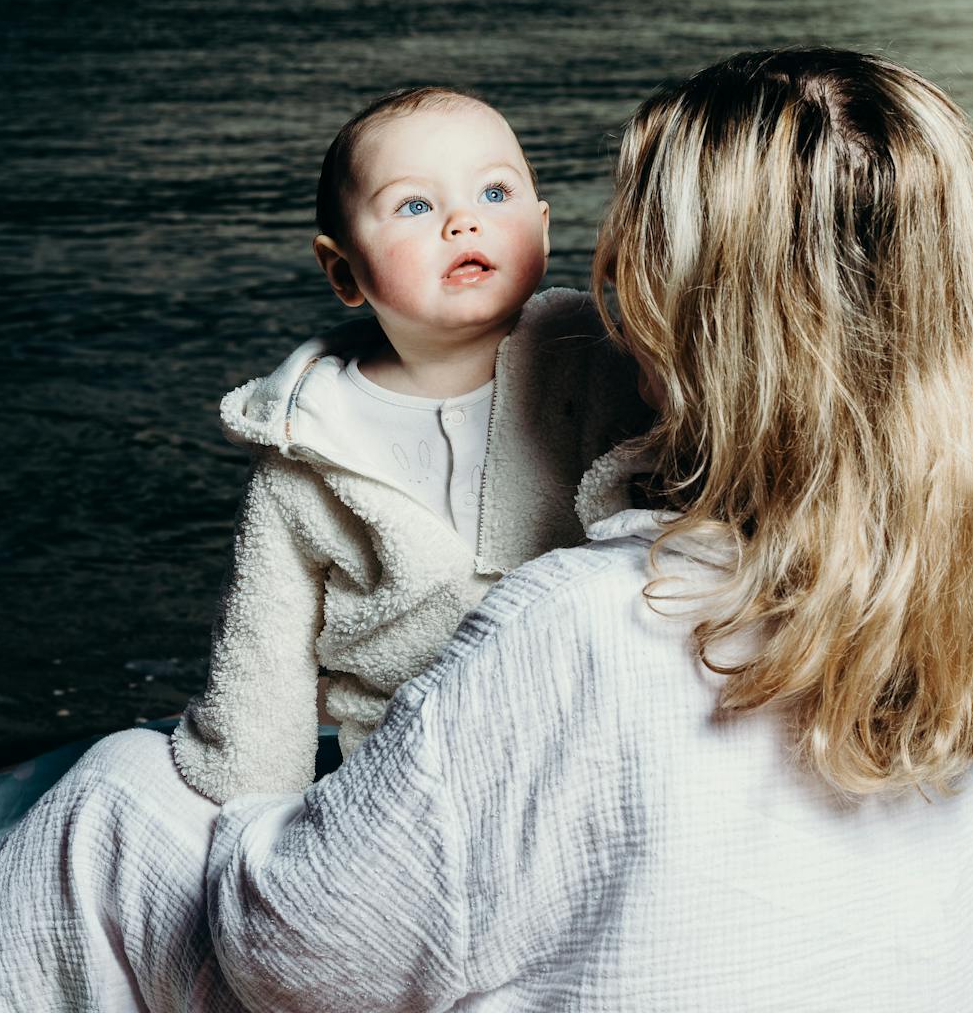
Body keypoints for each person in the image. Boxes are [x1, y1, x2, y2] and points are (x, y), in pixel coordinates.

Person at [0, 48, 973, 1012]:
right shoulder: (969, 581)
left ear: (687, 311)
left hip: (416, 866)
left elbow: (290, 948)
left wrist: (273, 816)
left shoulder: (582, 628)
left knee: (110, 796)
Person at [173, 87, 651, 803]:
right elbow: (262, 655)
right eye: (415, 207)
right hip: (403, 768)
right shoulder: (312, 439)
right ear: (344, 272)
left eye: (495, 192)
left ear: (544, 230)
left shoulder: (604, 371)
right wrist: (247, 807)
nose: (464, 221)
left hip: (587, 733)